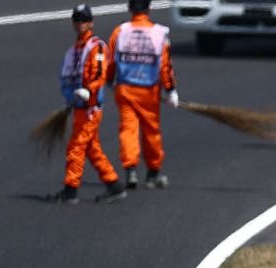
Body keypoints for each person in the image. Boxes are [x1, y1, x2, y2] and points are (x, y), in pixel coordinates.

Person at [46, 4, 127, 204]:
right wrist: (70, 101)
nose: (80, 23)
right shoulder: (74, 51)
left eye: (84, 19)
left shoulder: (96, 47)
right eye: (77, 19)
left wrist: (88, 90)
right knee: (92, 149)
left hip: (91, 109)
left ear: (91, 23)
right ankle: (114, 185)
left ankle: (70, 189)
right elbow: (68, 79)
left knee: (76, 146)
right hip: (79, 108)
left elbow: (99, 74)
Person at [106, 0, 178, 190]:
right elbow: (165, 66)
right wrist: (170, 90)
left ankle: (130, 169)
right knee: (151, 131)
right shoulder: (159, 33)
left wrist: (109, 80)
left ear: (130, 8)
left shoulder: (120, 31)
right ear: (148, 8)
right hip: (148, 91)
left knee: (128, 129)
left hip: (125, 89)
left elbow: (110, 59)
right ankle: (153, 173)